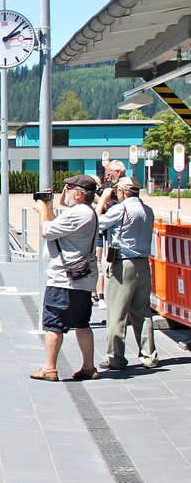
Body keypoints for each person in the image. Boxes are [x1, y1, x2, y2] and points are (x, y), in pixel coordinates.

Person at [32, 175, 101, 381]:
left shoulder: (78, 213)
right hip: (80, 278)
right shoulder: (87, 212)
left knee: (53, 323)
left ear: (78, 194)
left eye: (68, 189)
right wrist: (50, 206)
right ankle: (88, 367)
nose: (66, 193)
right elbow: (57, 227)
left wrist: (42, 209)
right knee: (82, 323)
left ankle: (49, 367)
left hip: (64, 279)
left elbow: (46, 230)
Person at [96, 175, 157, 370]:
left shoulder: (120, 209)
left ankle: (116, 357)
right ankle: (149, 355)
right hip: (143, 263)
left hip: (123, 264)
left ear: (121, 192)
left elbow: (96, 223)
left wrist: (103, 201)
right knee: (142, 311)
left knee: (116, 312)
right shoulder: (148, 210)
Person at [93, 160, 127, 309]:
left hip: (123, 245)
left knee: (121, 284)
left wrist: (100, 201)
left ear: (118, 172)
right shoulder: (113, 187)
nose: (106, 177)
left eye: (108, 174)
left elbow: (115, 210)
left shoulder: (125, 187)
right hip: (114, 239)